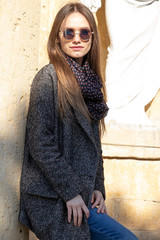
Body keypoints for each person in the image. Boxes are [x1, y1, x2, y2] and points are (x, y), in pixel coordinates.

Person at [18, 3, 139, 240]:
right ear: (58, 37)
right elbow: (40, 142)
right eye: (69, 32)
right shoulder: (49, 77)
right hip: (52, 195)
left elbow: (95, 145)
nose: (77, 39)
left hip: (80, 192)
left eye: (84, 32)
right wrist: (71, 192)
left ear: (92, 37)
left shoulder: (91, 83)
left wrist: (98, 188)